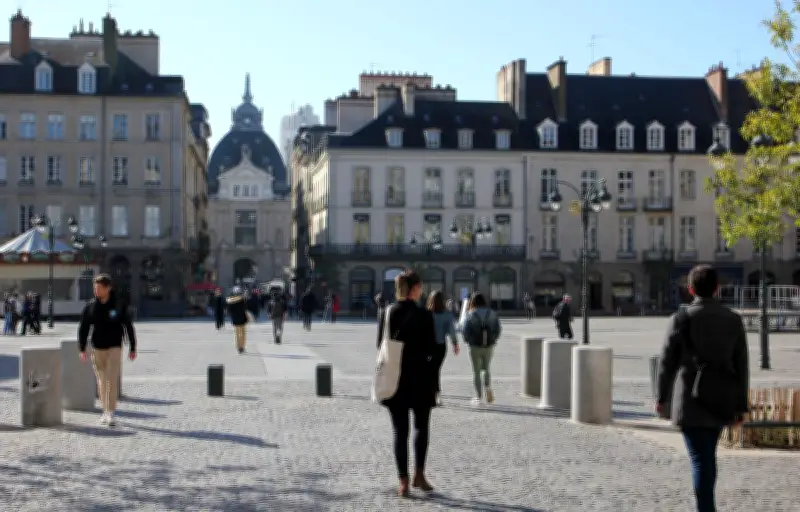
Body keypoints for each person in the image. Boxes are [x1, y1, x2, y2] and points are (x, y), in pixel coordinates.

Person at [657, 264, 749, 512]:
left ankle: (706, 508)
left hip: (690, 399)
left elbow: (667, 362)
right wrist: (741, 405)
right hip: (722, 396)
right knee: (707, 456)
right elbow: (741, 365)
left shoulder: (680, 318)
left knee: (700, 459)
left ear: (690, 289)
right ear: (717, 288)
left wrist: (662, 397)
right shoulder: (733, 319)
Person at [380, 270, 437, 497]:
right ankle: (419, 475)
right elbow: (432, 348)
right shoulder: (424, 314)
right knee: (421, 428)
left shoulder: (388, 312)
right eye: (420, 287)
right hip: (421, 377)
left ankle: (403, 481)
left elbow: (380, 344)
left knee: (400, 431)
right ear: (414, 288)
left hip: (395, 377)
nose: (421, 291)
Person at [77, 274, 137, 426]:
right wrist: (82, 348)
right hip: (97, 347)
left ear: (108, 288)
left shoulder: (118, 305)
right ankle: (105, 411)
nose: (96, 291)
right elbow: (83, 327)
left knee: (111, 379)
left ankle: (110, 412)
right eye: (95, 288)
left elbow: (128, 325)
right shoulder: (90, 306)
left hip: (114, 346)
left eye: (99, 288)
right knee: (101, 380)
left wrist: (132, 346)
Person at [459, 291, 502, 406]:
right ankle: (488, 389)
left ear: (472, 302)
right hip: (489, 345)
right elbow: (498, 329)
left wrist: (468, 340)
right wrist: (493, 339)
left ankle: (478, 396)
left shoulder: (470, 314)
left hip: (474, 346)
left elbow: (465, 330)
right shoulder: (492, 313)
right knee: (486, 368)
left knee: (476, 371)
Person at [426, 291, 459, 405]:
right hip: (440, 346)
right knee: (435, 370)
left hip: (427, 346)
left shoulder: (426, 314)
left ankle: (430, 393)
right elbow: (452, 331)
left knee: (429, 370)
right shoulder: (447, 314)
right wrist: (455, 344)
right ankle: (437, 395)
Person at [227, 287, 249, 354]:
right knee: (243, 334)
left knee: (237, 334)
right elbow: (245, 307)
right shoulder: (242, 299)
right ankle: (242, 347)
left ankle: (238, 347)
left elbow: (229, 311)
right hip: (242, 319)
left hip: (235, 319)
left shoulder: (230, 300)